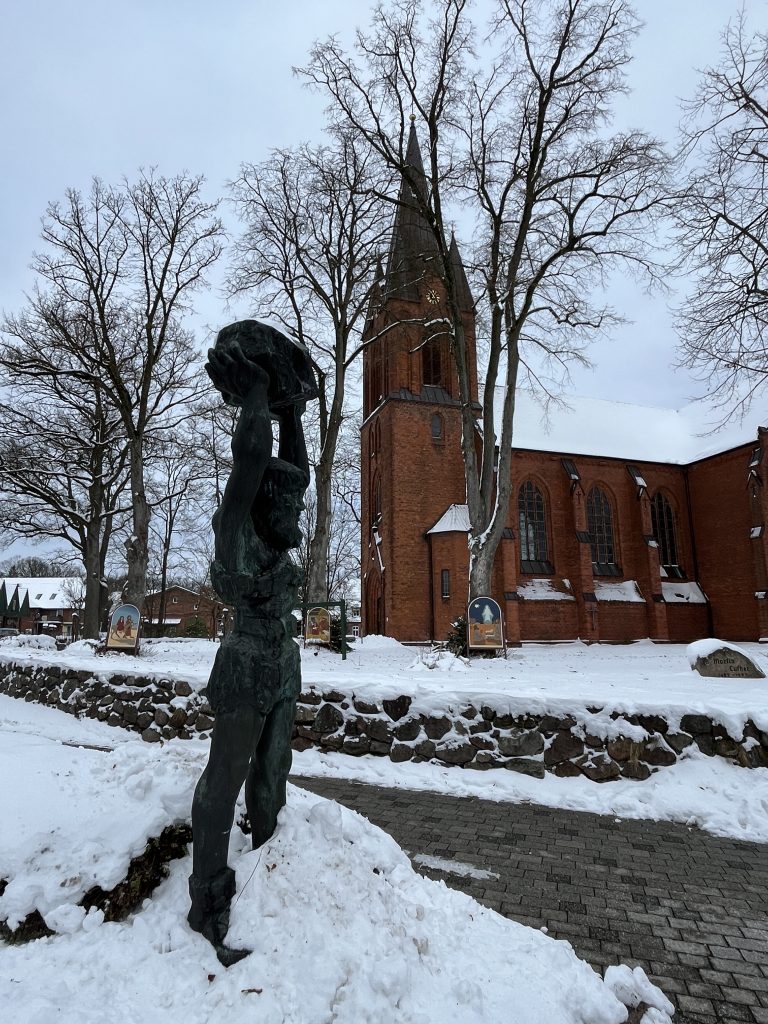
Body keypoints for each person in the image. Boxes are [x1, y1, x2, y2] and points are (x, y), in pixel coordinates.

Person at [188, 321, 315, 966]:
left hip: (282, 663)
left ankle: (271, 866)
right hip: (244, 665)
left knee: (271, 778)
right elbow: (253, 460)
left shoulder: (281, 524)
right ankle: (207, 900)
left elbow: (295, 468)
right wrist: (261, 393)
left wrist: (293, 406)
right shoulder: (239, 528)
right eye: (285, 506)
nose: (297, 516)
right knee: (224, 780)